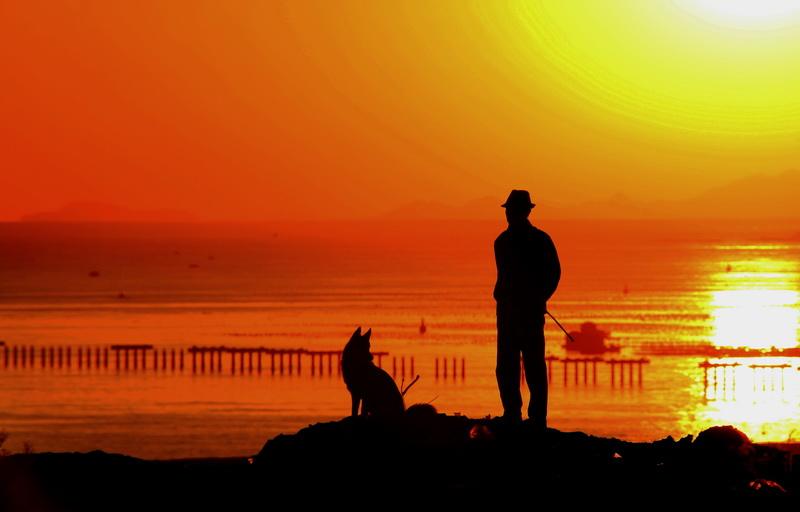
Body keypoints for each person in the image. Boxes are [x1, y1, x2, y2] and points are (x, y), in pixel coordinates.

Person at [493, 189, 560, 427]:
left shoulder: (540, 240)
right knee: (506, 366)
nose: (509, 215)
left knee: (533, 367)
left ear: (524, 212)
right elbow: (502, 276)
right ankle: (512, 413)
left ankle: (536, 418)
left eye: (512, 211)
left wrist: (540, 297)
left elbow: (554, 273)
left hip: (529, 314)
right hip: (507, 314)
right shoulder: (501, 242)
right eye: (508, 211)